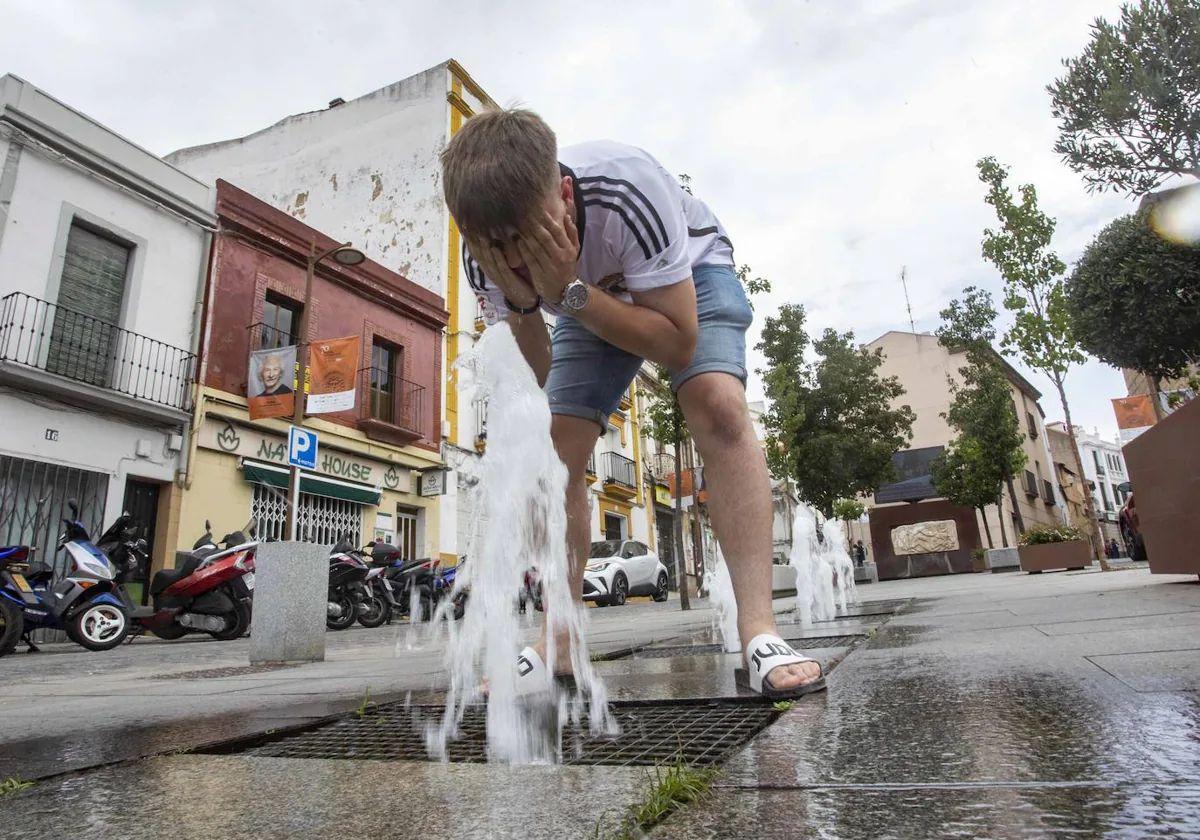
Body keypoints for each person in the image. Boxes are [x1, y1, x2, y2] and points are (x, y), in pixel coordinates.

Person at [442, 108, 823, 700]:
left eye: (532, 238)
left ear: (564, 193)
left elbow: (676, 342)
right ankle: (559, 641)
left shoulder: (627, 190)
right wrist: (522, 304)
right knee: (557, 454)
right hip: (582, 303)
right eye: (500, 249)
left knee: (718, 404)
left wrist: (568, 291)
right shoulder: (485, 255)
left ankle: (759, 630)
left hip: (688, 280)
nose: (517, 258)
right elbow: (542, 376)